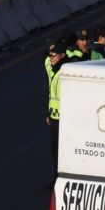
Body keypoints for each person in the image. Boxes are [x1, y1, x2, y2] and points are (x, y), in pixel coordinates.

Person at [46, 43, 69, 179]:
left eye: (54, 55)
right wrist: (48, 113)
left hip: (64, 119)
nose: (51, 58)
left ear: (62, 55)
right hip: (54, 118)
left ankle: (61, 177)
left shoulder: (66, 71)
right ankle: (57, 176)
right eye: (50, 55)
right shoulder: (52, 70)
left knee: (62, 151)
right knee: (54, 150)